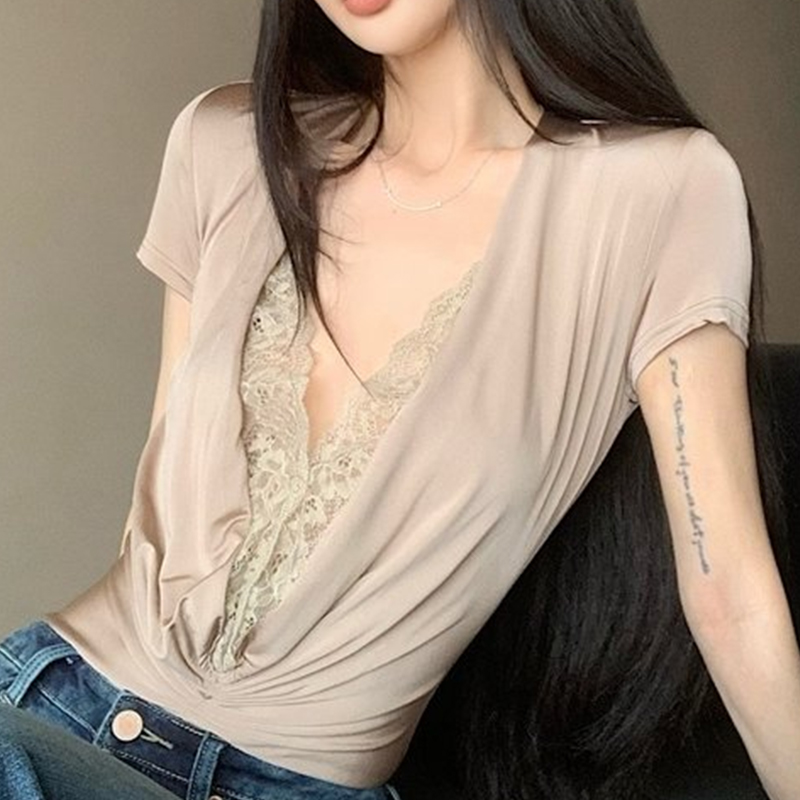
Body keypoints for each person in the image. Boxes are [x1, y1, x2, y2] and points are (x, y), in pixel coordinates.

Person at [1, 0, 799, 798]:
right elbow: (156, 508)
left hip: (297, 779)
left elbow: (728, 593)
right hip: (52, 708)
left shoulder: (658, 191)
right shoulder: (228, 144)